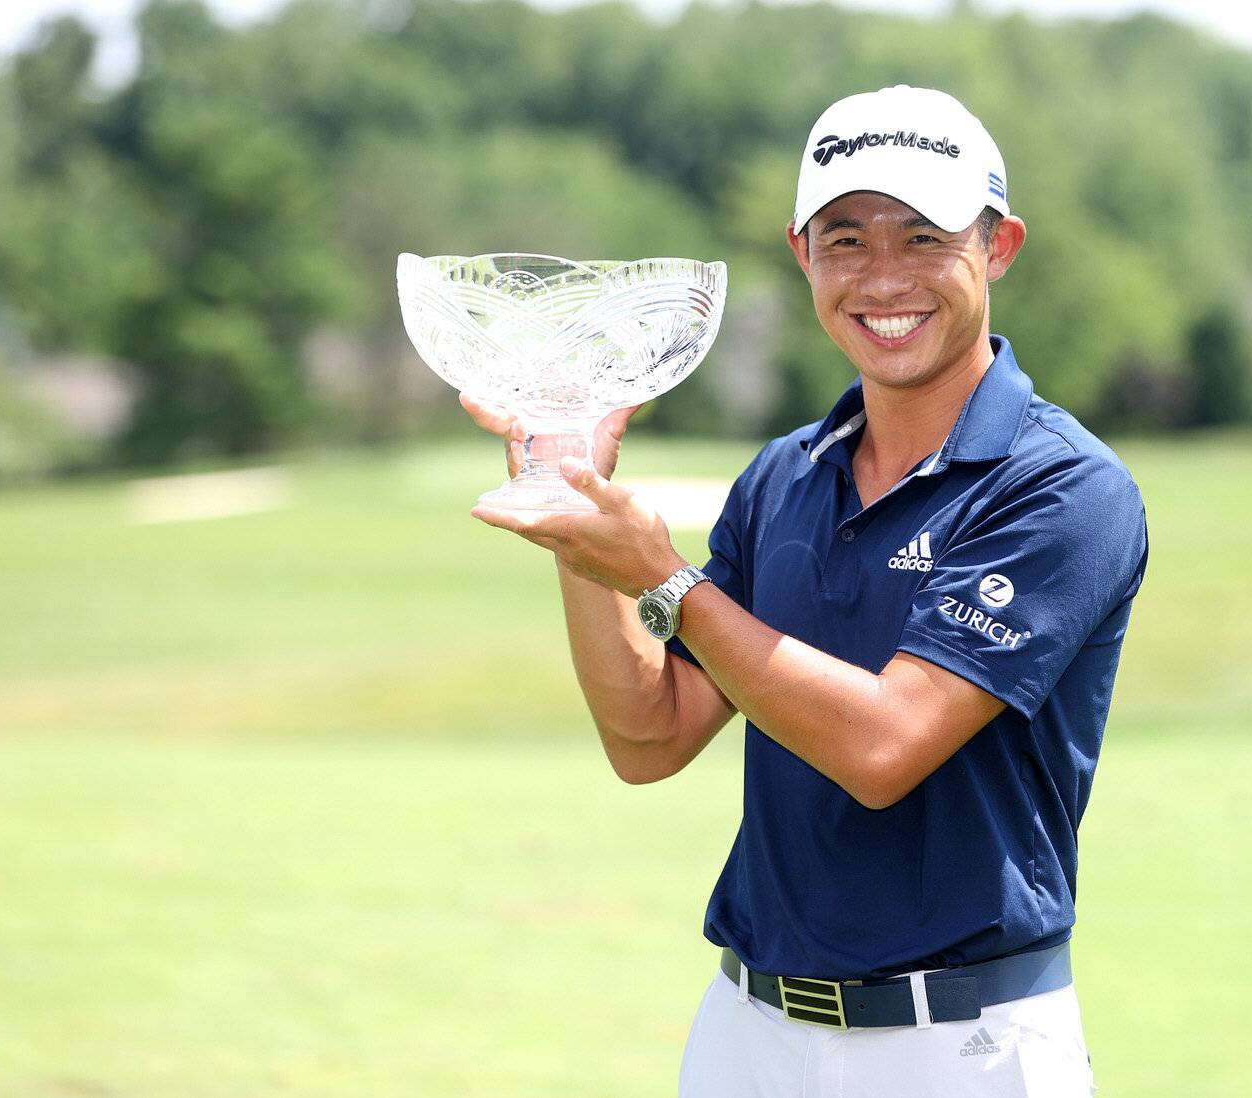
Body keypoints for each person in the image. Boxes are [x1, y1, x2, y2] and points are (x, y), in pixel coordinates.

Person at [464, 84, 1148, 1098]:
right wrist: (580, 520)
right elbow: (648, 738)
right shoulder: (784, 475)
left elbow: (882, 748)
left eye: (924, 239)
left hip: (962, 1045)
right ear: (801, 255)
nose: (882, 279)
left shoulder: (1064, 488)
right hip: (750, 1033)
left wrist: (661, 575)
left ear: (998, 246)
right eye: (846, 241)